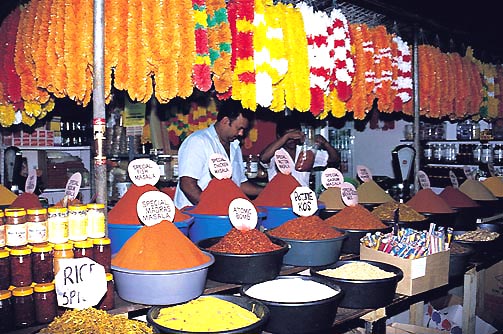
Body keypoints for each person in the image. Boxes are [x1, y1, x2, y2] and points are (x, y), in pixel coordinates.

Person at [174, 99, 263, 209]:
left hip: (222, 212)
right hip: (193, 214)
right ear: (225, 121)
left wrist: (267, 190)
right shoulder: (198, 141)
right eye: (239, 128)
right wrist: (211, 208)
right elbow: (187, 184)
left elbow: (240, 184)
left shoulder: (235, 146)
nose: (241, 133)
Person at [259, 116, 340, 187]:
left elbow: (334, 159)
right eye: (289, 137)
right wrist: (287, 136)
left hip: (303, 200)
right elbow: (263, 158)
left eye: (295, 135)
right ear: (279, 136)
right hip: (280, 199)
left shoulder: (306, 151)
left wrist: (326, 144)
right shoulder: (275, 152)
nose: (293, 140)